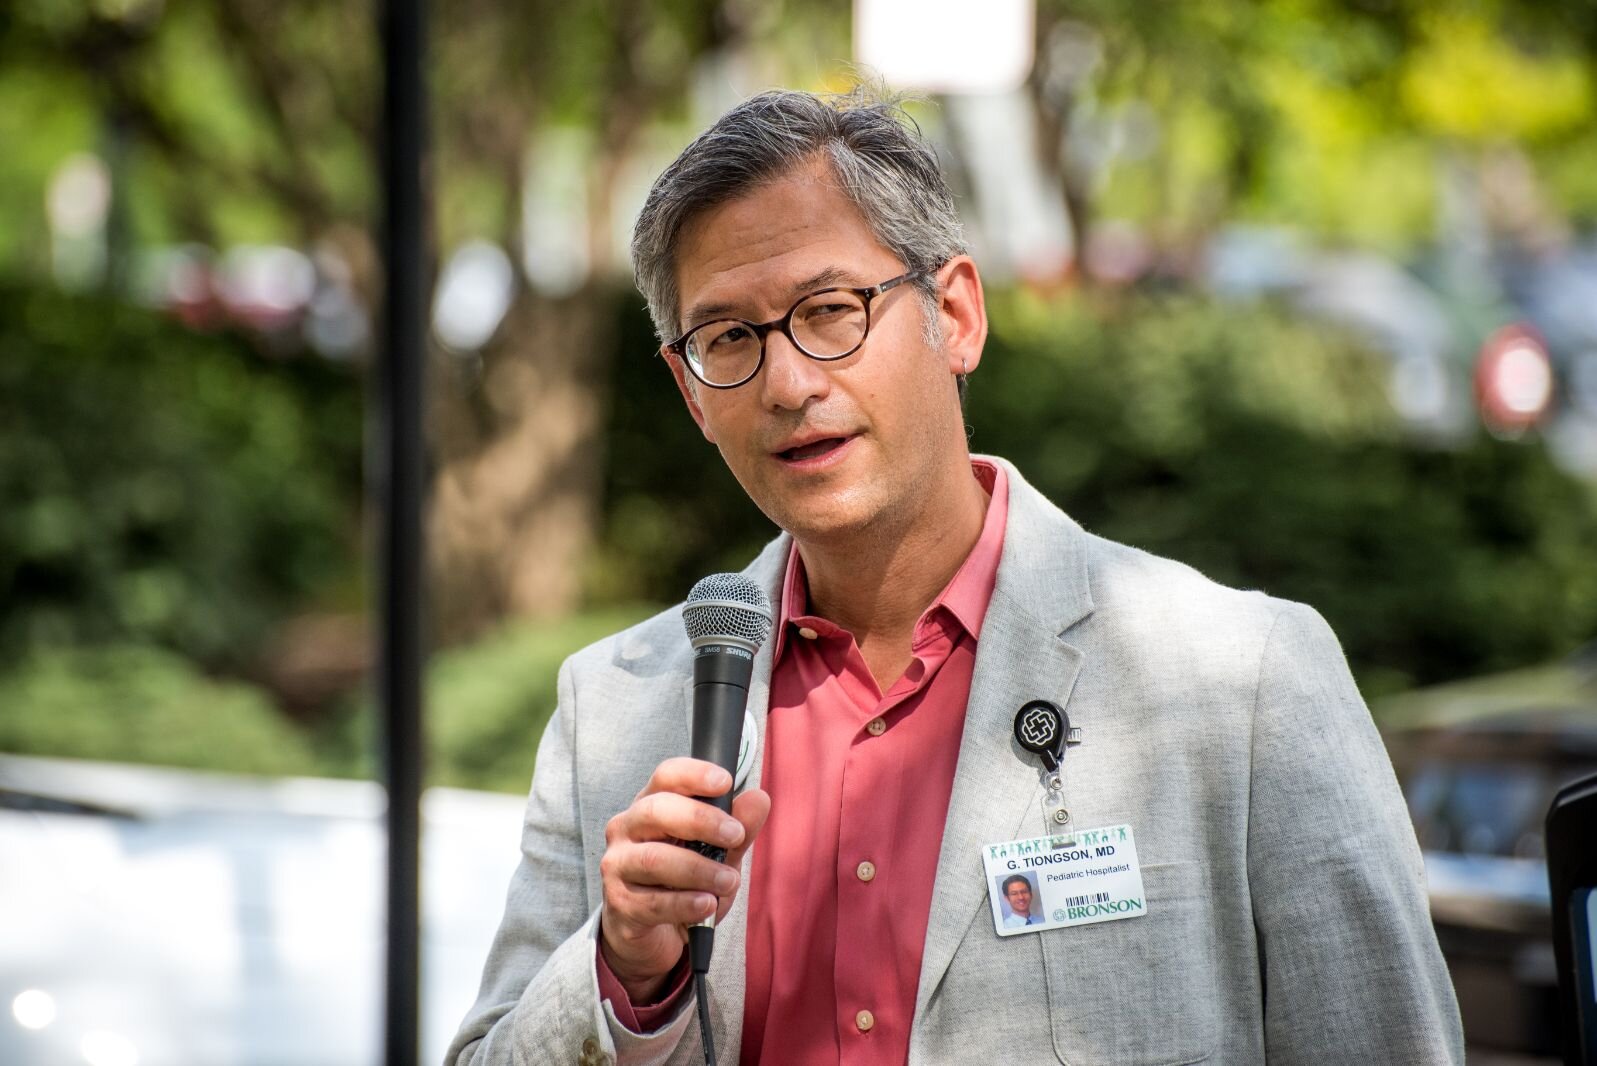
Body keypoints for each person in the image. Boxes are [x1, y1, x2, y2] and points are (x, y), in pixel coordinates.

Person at [446, 86, 1464, 1066]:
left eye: (831, 309)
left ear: (956, 315)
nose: (790, 382)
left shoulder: (1242, 682)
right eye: (728, 340)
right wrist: (622, 968)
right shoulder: (615, 711)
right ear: (689, 390)